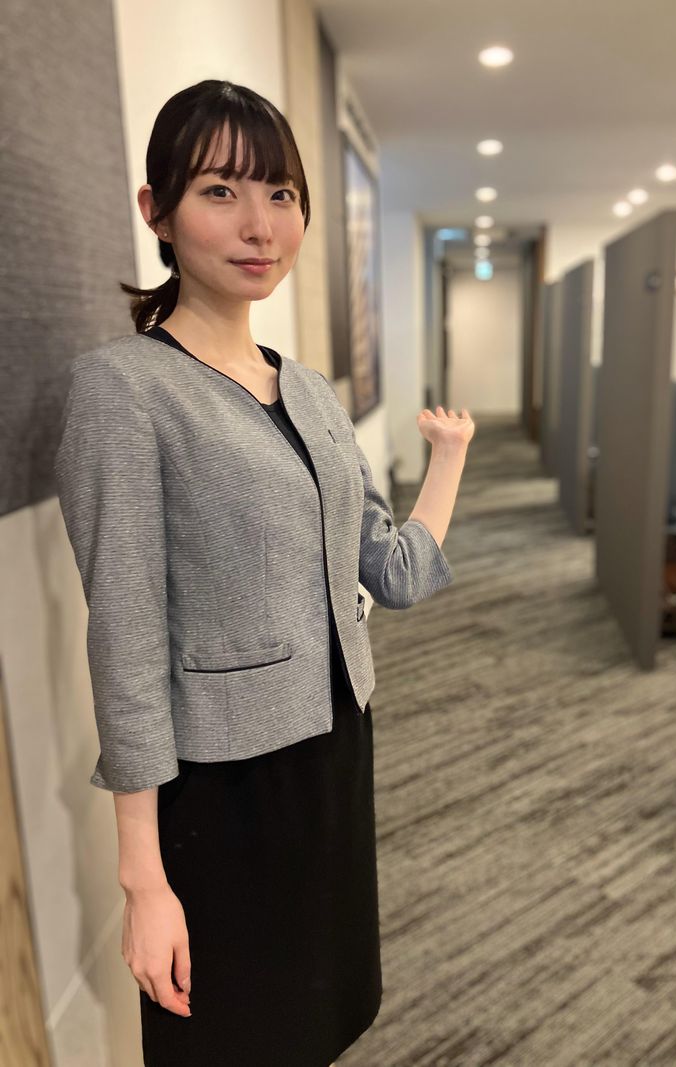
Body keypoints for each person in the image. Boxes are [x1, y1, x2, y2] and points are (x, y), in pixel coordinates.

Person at [54, 79, 473, 1066]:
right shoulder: (123, 390)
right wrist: (143, 879)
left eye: (280, 193)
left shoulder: (310, 390)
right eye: (220, 191)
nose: (259, 225)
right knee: (235, 1033)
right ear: (156, 210)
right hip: (224, 784)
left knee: (320, 1013)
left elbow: (394, 572)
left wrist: (448, 459)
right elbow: (125, 639)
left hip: (336, 746)